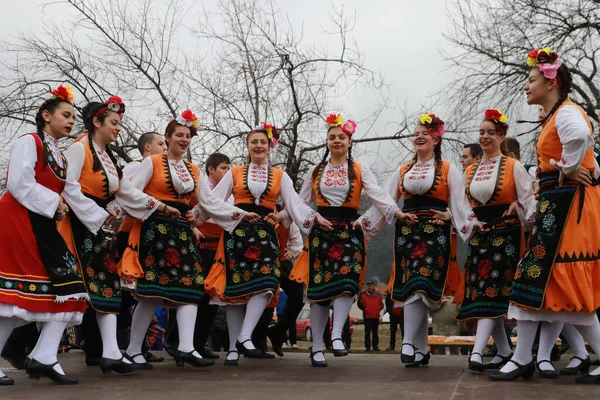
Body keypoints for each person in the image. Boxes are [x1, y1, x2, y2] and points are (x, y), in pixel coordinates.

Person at [489, 48, 600, 384]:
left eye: (531, 79)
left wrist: (568, 168)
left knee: (549, 278)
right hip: (560, 205)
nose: (526, 86)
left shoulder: (566, 113)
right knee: (544, 281)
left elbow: (581, 137)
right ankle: (522, 357)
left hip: (569, 209)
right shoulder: (557, 115)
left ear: (551, 83)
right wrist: (561, 169)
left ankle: (522, 358)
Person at [118, 111, 254, 369]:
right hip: (155, 231)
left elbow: (209, 201)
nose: (184, 139)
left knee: (191, 288)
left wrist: (240, 213)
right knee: (150, 293)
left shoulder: (193, 169)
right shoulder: (153, 162)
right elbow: (129, 191)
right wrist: (158, 206)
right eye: (178, 135)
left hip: (180, 233)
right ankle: (134, 350)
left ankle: (186, 346)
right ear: (167, 137)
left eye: (188, 136)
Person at [0, 85, 108, 385]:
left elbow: (71, 190)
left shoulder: (58, 155)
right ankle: (42, 355)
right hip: (19, 220)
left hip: (41, 223)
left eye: (73, 116)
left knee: (70, 289)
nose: (71, 120)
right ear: (46, 116)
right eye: (65, 115)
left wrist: (102, 217)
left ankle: (45, 355)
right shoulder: (29, 141)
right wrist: (53, 203)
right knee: (20, 292)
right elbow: (18, 182)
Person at [362, 113, 482, 368]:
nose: (418, 137)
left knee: (421, 286)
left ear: (436, 139)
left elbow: (460, 202)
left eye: (424, 133)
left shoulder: (448, 169)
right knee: (412, 289)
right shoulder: (403, 169)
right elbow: (385, 198)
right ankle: (420, 349)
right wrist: (368, 222)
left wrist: (453, 217)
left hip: (435, 233)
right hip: (407, 233)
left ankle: (408, 343)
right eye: (416, 134)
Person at [204, 122, 328, 366]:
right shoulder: (235, 172)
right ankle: (232, 348)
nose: (258, 146)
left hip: (264, 234)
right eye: (254, 142)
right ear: (248, 146)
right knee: (234, 291)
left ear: (269, 146)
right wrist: (201, 218)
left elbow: (294, 203)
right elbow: (212, 200)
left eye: (262, 142)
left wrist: (314, 217)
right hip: (237, 232)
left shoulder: (280, 175)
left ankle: (244, 336)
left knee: (268, 282)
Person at [282, 114, 401, 367]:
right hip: (321, 232)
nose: (337, 140)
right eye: (332, 137)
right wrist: (285, 216)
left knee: (347, 282)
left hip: (350, 231)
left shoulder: (360, 169)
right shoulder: (316, 170)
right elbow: (300, 201)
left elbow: (378, 196)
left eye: (341, 137)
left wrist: (392, 212)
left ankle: (337, 336)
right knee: (319, 292)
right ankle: (316, 348)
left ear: (349, 141)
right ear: (327, 141)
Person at [59, 96, 161, 375]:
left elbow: (126, 192)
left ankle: (110, 353)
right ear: (96, 122)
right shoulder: (79, 148)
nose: (118, 128)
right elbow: (68, 186)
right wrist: (97, 215)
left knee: (106, 288)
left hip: (98, 228)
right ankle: (31, 348)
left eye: (119, 123)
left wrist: (159, 206)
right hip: (77, 225)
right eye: (113, 123)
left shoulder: (107, 155)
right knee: (68, 290)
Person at [454, 109, 535, 372]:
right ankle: (503, 350)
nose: (485, 136)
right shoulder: (469, 170)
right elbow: (461, 205)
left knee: (492, 291)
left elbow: (528, 201)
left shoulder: (514, 166)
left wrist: (516, 205)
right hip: (480, 236)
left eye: (491, 132)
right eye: (482, 132)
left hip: (506, 236)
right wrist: (470, 221)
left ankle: (477, 352)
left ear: (502, 135)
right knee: (483, 293)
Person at [162, 152, 232, 360]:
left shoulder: (232, 192)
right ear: (211, 169)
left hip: (219, 248)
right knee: (192, 292)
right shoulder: (197, 187)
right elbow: (190, 212)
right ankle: (174, 340)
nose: (228, 172)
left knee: (213, 295)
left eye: (229, 168)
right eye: (223, 168)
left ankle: (199, 343)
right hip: (199, 245)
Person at [358, 281, 383, 351]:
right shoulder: (363, 295)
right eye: (368, 285)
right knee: (367, 333)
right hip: (367, 316)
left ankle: (375, 346)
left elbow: (381, 305)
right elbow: (359, 304)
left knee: (375, 333)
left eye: (371, 285)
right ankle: (367, 347)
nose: (370, 287)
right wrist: (365, 309)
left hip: (375, 316)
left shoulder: (378, 296)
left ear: (373, 286)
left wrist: (377, 309)